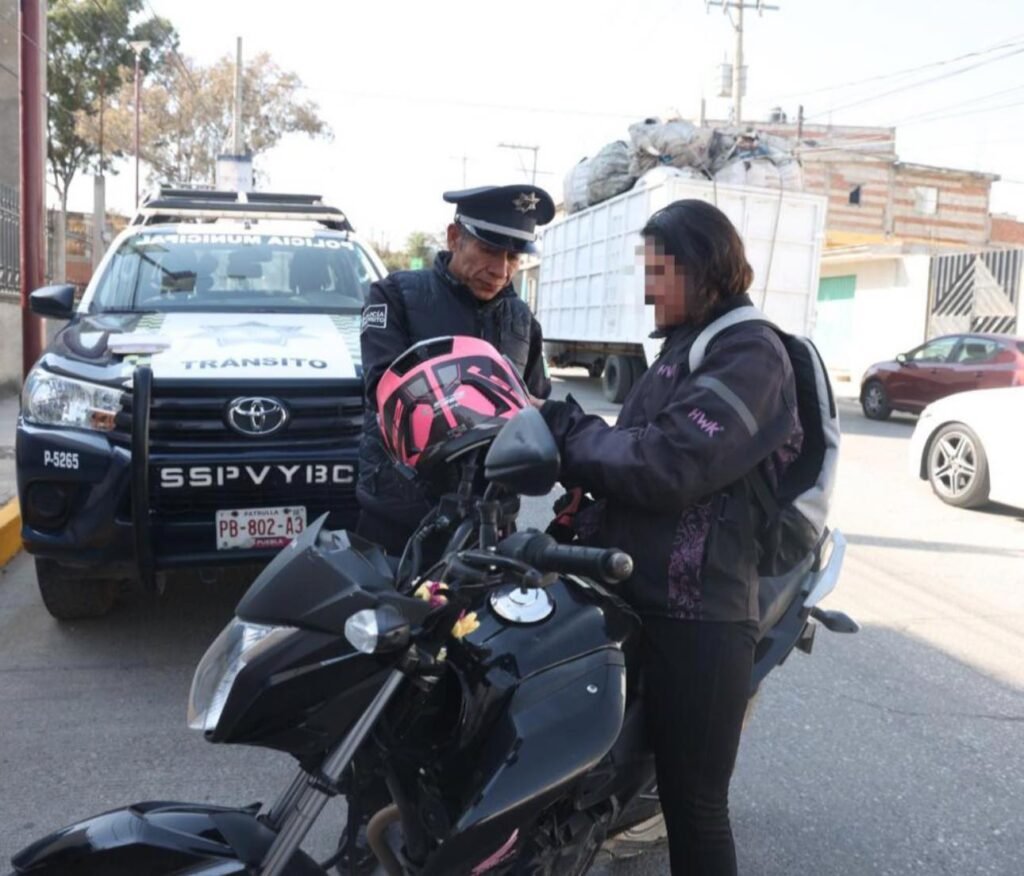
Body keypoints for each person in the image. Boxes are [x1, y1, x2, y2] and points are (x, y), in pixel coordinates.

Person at [537, 199, 803, 875]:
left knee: (695, 803)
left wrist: (572, 436)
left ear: (705, 268)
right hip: (630, 592)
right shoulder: (679, 351)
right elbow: (632, 450)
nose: (648, 287)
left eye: (661, 270)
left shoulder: (751, 353)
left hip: (701, 615)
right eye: (646, 270)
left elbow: (670, 466)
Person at [355, 184, 555, 556]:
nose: (500, 270)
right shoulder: (394, 296)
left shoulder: (522, 320)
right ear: (454, 238)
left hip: (491, 522)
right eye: (489, 249)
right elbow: (384, 392)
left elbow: (536, 409)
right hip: (398, 519)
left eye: (514, 257)